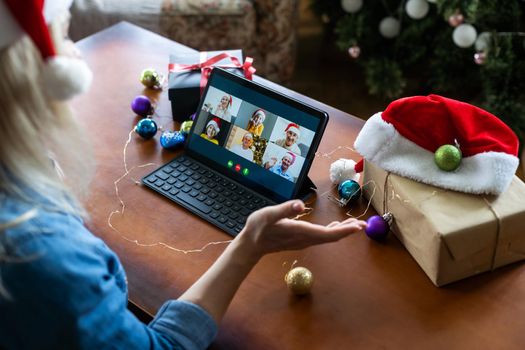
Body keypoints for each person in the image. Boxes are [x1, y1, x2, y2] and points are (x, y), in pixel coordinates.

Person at [0, 1, 368, 349]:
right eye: (64, 36)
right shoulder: (42, 255)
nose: (76, 52)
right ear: (26, 72)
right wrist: (250, 243)